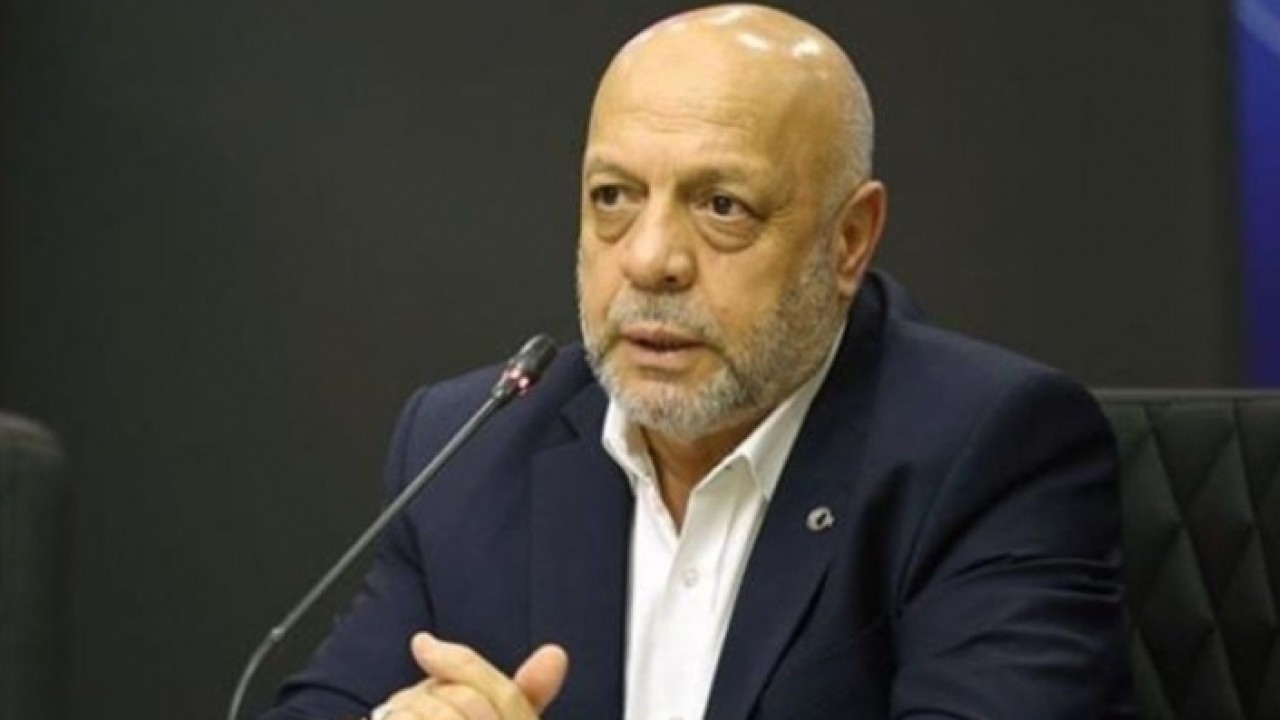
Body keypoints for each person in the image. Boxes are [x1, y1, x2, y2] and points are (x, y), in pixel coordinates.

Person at [264, 5, 1133, 719]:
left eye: (722, 206)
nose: (650, 260)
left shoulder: (989, 454)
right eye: (614, 197)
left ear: (848, 241)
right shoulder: (474, 446)